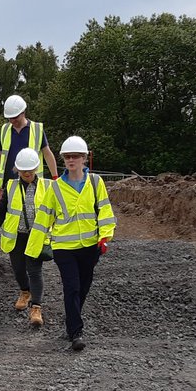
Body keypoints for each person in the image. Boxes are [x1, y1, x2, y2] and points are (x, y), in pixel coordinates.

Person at [25, 135, 116, 352]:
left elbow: (104, 210)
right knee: (72, 287)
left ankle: (72, 320)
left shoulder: (95, 182)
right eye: (67, 157)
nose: (71, 160)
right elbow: (42, 220)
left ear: (84, 158)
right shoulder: (55, 189)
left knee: (83, 287)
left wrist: (105, 236)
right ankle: (76, 332)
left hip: (90, 246)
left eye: (75, 156)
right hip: (64, 248)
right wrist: (33, 250)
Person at [0, 147, 49, 327]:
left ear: (36, 168)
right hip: (16, 236)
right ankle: (25, 291)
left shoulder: (47, 186)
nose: (27, 173)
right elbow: (1, 211)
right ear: (17, 170)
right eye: (23, 170)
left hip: (36, 236)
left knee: (34, 270)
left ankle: (36, 307)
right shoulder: (11, 186)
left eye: (30, 170)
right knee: (19, 269)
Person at [0, 94, 59, 193]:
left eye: (15, 117)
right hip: (8, 183)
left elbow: (47, 154)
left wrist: (55, 177)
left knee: (30, 208)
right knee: (8, 209)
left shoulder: (37, 129)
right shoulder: (5, 130)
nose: (12, 121)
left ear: (23, 112)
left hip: (31, 183)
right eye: (10, 118)